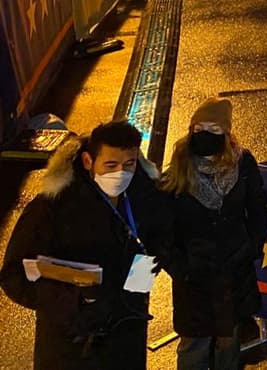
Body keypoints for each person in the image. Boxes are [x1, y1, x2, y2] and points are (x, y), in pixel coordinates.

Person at [1, 120, 172, 370]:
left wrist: (134, 291)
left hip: (125, 341)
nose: (121, 173)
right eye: (111, 165)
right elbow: (13, 277)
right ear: (87, 162)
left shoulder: (145, 197)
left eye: (129, 164)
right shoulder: (52, 206)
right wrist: (78, 302)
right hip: (70, 346)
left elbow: (159, 245)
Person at [161, 97, 267, 370]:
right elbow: (162, 231)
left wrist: (252, 246)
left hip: (234, 272)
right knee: (193, 346)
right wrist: (180, 267)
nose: (205, 134)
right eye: (199, 128)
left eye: (214, 128)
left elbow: (258, 206)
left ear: (227, 133)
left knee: (228, 341)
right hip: (193, 278)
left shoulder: (243, 164)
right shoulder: (176, 172)